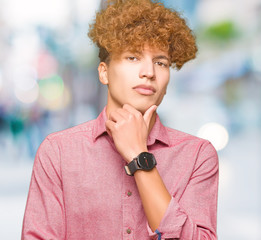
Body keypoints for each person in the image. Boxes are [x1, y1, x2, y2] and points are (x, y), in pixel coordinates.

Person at [21, 0, 219, 239]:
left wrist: (139, 157)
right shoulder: (58, 152)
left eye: (160, 62)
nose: (148, 72)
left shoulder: (197, 155)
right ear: (104, 72)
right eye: (133, 57)